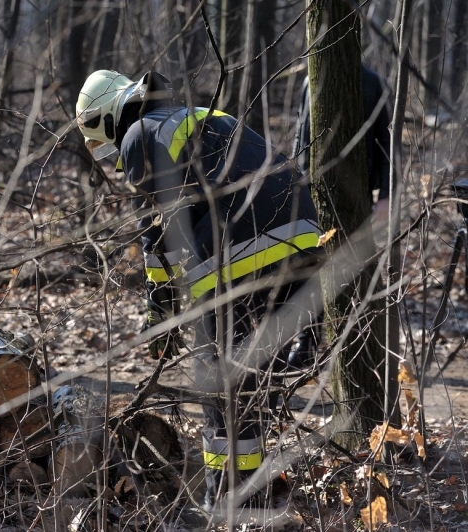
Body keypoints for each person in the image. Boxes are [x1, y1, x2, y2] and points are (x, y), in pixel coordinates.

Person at [75, 70, 322, 514]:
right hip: (303, 232)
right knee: (251, 378)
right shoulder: (201, 116)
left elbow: (156, 231)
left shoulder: (139, 132)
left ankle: (228, 501)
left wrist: (159, 314)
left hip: (244, 246)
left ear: (106, 117)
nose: (103, 154)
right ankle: (254, 489)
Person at [289, 63, 392, 367]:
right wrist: (294, 184)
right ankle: (307, 343)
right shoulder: (312, 78)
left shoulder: (373, 83)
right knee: (309, 267)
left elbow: (388, 145)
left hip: (358, 193)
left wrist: (386, 195)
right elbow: (301, 134)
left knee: (352, 268)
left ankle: (358, 346)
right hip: (313, 192)